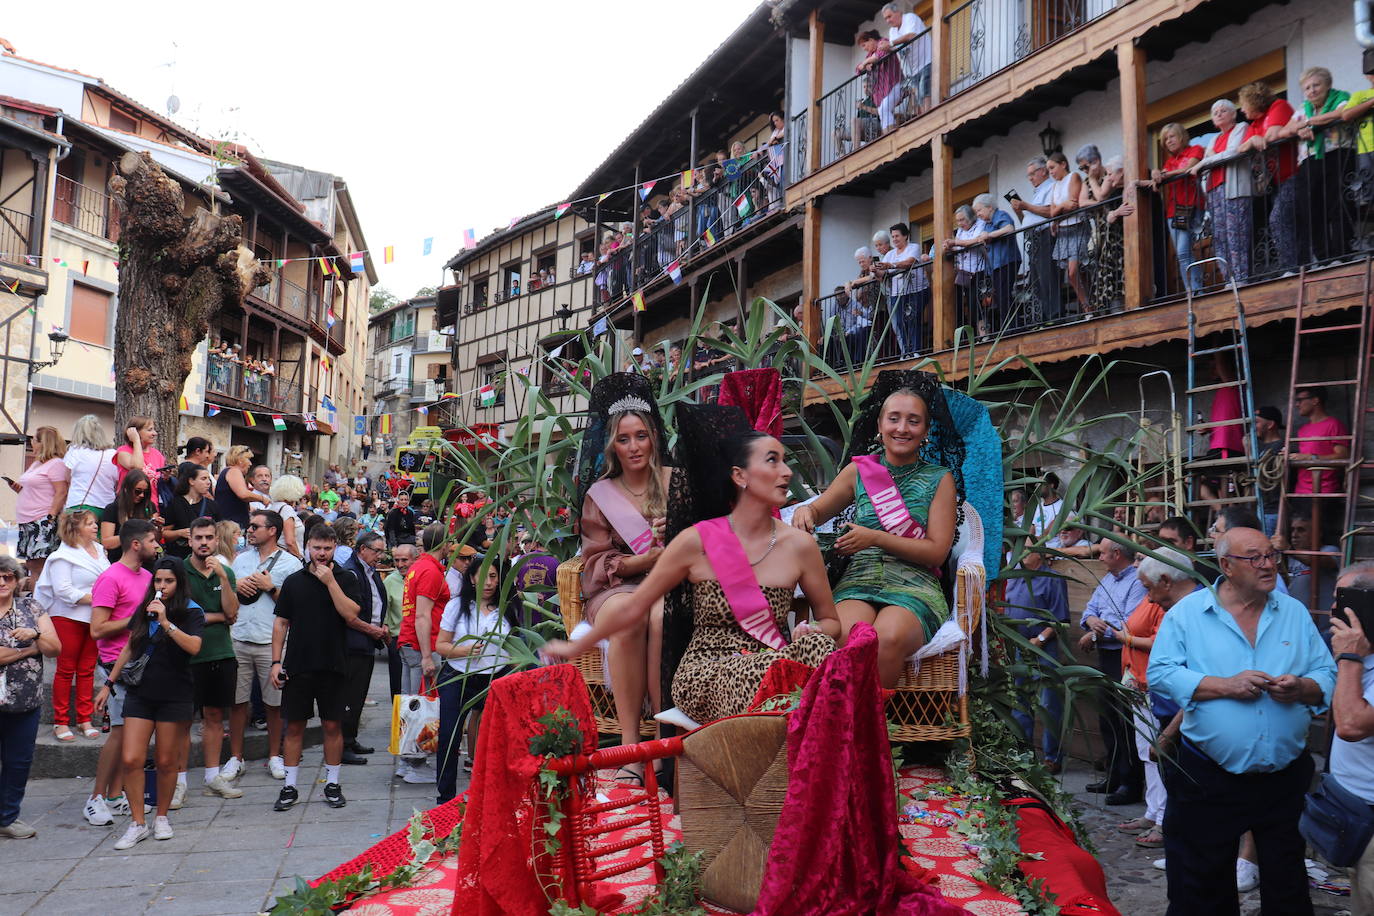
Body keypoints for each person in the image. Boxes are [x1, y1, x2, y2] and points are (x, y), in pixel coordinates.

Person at [548, 427, 840, 723]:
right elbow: (635, 606)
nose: (787, 472)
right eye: (772, 461)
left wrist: (813, 630)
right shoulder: (697, 541)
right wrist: (575, 645)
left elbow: (831, 622)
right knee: (784, 680)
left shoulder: (801, 546)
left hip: (773, 662)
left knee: (821, 647)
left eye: (785, 461)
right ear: (740, 476)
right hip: (707, 674)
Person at [1149, 526, 1335, 916]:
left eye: (1271, 556)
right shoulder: (1189, 614)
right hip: (1208, 778)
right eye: (1255, 557)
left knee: (1287, 884)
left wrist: (1302, 687)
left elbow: (1327, 674)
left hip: (1283, 780)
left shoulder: (1294, 613)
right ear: (1226, 566)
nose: (1268, 565)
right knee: (1200, 886)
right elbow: (1162, 673)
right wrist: (1224, 685)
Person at [790, 373, 960, 687]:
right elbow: (817, 508)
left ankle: (871, 728)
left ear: (925, 431)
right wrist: (805, 510)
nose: (902, 428)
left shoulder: (940, 479)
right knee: (841, 638)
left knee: (885, 640)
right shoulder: (860, 471)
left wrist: (875, 538)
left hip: (915, 586)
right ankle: (842, 725)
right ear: (880, 426)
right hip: (859, 581)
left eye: (913, 421)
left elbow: (937, 552)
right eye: (893, 419)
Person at [576, 376, 675, 758]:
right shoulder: (600, 494)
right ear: (612, 446)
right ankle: (630, 747)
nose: (634, 447)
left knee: (661, 616)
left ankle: (665, 735)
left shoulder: (678, 481)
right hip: (618, 586)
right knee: (630, 616)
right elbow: (597, 561)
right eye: (623, 439)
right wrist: (646, 559)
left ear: (653, 437)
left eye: (640, 436)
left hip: (675, 582)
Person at [97, 558, 205, 849]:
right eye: (158, 581)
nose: (161, 587)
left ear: (179, 583)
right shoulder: (145, 610)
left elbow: (194, 647)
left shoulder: (191, 612)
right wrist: (108, 684)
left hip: (175, 693)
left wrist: (167, 622)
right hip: (140, 693)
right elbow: (130, 646)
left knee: (167, 761)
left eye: (168, 581)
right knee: (132, 758)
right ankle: (137, 822)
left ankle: (161, 817)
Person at [270, 524, 363, 812]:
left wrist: (331, 582)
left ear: (335, 547)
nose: (321, 554)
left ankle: (332, 783)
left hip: (334, 664)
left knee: (332, 726)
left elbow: (350, 615)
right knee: (294, 727)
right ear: (308, 546)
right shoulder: (294, 581)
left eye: (327, 548)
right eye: (317, 548)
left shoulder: (346, 578)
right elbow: (281, 622)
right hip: (298, 664)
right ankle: (289, 786)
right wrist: (275, 662)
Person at [1112, 547, 1194, 850]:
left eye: (1148, 588)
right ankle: (1156, 813)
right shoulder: (1161, 600)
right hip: (1143, 685)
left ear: (1165, 580)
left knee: (1162, 754)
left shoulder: (1183, 608)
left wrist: (1126, 639)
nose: (1148, 597)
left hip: (1162, 695)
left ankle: (1164, 821)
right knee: (1148, 751)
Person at [84, 519, 156, 828]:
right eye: (152, 540)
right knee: (118, 733)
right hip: (118, 666)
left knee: (131, 735)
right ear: (136, 544)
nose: (157, 545)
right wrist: (134, 620)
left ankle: (115, 795)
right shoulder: (111, 578)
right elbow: (97, 629)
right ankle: (95, 798)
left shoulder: (150, 577)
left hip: (145, 665)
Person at [225, 510, 301, 783]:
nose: (250, 530)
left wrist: (270, 587)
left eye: (256, 526)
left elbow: (296, 607)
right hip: (241, 636)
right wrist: (236, 586)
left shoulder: (291, 565)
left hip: (272, 643)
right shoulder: (241, 559)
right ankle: (235, 758)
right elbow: (229, 595)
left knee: (274, 705)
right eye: (250, 526)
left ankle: (274, 756)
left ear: (272, 531)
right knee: (237, 702)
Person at [435, 556, 518, 803]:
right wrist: (465, 650)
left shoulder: (508, 607)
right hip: (457, 676)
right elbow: (441, 645)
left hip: (495, 678)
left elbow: (514, 649)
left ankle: (492, 795)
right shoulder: (456, 606)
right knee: (449, 735)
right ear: (472, 578)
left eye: (493, 576)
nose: (489, 582)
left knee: (496, 738)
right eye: (483, 577)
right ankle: (445, 798)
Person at [1076, 538, 1148, 805]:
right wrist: (1093, 623)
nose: (1100, 557)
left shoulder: (1137, 582)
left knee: (1125, 720)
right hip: (1106, 656)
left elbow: (1126, 622)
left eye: (1103, 553)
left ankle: (1131, 783)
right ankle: (1114, 775)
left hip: (1124, 656)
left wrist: (1094, 630)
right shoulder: (1108, 579)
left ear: (1117, 554)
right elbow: (1089, 612)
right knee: (1107, 717)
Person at [34, 509, 108, 742]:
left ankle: (85, 719)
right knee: (66, 670)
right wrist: (100, 599)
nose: (96, 527)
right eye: (90, 523)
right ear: (75, 529)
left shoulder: (100, 551)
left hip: (95, 618)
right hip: (67, 617)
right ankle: (61, 721)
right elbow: (63, 590)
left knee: (87, 669)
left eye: (95, 523)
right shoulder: (61, 557)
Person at [0, 553, 59, 840]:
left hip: (25, 700)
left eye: (7, 576)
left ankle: (7, 817)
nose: (2, 581)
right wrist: (30, 649)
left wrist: (35, 635)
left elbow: (54, 647)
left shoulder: (31, 606)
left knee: (19, 761)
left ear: (16, 579)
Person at [1329, 562, 1374, 914]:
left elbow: (1350, 724)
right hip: (1355, 815)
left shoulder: (1355, 659)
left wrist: (1348, 657)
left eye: (1342, 601)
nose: (1333, 611)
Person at [1004, 537, 1069, 773]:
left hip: (1043, 648)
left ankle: (1052, 757)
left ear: (1038, 555)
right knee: (1019, 702)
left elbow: (1060, 619)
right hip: (1019, 648)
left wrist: (1040, 639)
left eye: (1025, 551)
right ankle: (1023, 753)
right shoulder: (1015, 577)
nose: (1020, 555)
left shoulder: (1052, 579)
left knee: (1049, 703)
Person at [395, 522, 451, 784]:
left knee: (411, 703)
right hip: (420, 645)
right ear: (445, 544)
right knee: (422, 704)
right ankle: (415, 763)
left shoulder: (420, 567)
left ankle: (407, 761)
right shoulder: (429, 570)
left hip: (412, 643)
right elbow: (422, 615)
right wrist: (428, 655)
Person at [1284, 66, 1353, 265]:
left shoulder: (1341, 97)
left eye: (1316, 85)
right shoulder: (1303, 109)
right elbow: (1282, 132)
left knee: (1338, 205)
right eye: (1307, 88)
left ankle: (1342, 255)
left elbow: (1343, 113)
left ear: (1328, 85)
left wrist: (1311, 123)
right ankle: (1323, 258)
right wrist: (1299, 128)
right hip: (1309, 162)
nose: (1312, 90)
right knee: (1312, 210)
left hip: (1338, 156)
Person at [1236, 81, 1298, 274]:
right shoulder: (1254, 124)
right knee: (1279, 219)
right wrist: (1253, 140)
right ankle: (1288, 265)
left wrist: (1256, 140)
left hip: (1293, 173)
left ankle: (1292, 267)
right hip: (1275, 180)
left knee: (1278, 218)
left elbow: (1272, 136)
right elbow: (1241, 148)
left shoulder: (1279, 106)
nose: (1242, 109)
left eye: (1243, 104)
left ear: (1254, 101)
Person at [340, 531, 389, 765]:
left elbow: (376, 602)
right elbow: (350, 615)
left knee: (358, 695)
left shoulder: (368, 570)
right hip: (354, 643)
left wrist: (381, 625)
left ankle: (350, 739)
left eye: (382, 551)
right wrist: (373, 630)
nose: (380, 556)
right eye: (377, 551)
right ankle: (342, 744)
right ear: (362, 549)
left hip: (367, 642)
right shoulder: (351, 572)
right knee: (349, 695)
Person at [1193, 99, 1254, 283]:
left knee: (1237, 233)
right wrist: (1211, 158)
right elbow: (1217, 155)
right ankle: (1229, 279)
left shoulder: (1241, 127)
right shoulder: (1213, 139)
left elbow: (1233, 152)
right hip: (1213, 190)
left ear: (1233, 114)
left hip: (1234, 188)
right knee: (1220, 236)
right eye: (1215, 112)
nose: (1219, 114)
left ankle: (1242, 277)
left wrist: (1206, 161)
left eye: (1223, 110)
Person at [1148, 123, 1205, 294]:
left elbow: (1188, 169)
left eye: (1171, 136)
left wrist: (1163, 174)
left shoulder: (1195, 149)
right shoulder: (1170, 161)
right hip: (1173, 211)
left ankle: (1195, 290)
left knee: (1182, 252)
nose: (1168, 141)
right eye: (1165, 139)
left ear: (1181, 136)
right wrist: (1155, 173)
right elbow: (1159, 177)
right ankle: (1192, 290)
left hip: (1190, 207)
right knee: (1183, 253)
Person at [13, 426, 70, 581]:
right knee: (31, 564)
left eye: (34, 440)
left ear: (43, 443)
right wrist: (19, 489)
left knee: (40, 565)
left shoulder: (56, 463)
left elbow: (61, 492)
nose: (32, 443)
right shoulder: (37, 463)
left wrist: (50, 517)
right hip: (27, 520)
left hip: (41, 519)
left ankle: (41, 601)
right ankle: (36, 600)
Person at [1011, 156, 1063, 323]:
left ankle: (1054, 316)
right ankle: (1041, 318)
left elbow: (1050, 212)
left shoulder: (1051, 187)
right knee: (1037, 280)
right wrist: (1020, 211)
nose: (1030, 178)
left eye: (1032, 174)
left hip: (1046, 235)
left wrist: (1026, 206)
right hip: (1034, 238)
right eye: (1028, 175)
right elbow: (1028, 219)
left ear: (1042, 171)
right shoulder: (1038, 192)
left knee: (1048, 276)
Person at [1046, 151, 1090, 314]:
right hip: (1064, 231)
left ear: (1063, 164)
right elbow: (1051, 213)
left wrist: (1060, 209)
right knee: (1075, 273)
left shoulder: (1073, 177)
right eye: (1048, 169)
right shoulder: (1055, 186)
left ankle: (1087, 306)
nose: (1050, 172)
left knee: (1074, 271)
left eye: (1052, 167)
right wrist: (1061, 207)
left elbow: (1073, 204)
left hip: (1077, 227)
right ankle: (1088, 305)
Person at [970, 193, 1021, 332]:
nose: (978, 214)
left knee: (1004, 295)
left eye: (979, 210)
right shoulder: (988, 224)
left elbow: (1009, 228)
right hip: (997, 264)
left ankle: (1012, 328)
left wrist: (989, 235)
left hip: (1007, 260)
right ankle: (1008, 327)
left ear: (989, 207)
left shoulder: (1000, 215)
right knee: (1000, 296)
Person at [1290, 385, 1350, 500]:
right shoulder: (1302, 430)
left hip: (1324, 490)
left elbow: (1343, 456)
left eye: (1300, 400)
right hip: (1300, 491)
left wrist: (1311, 457)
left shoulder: (1334, 424)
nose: (1297, 404)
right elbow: (1303, 457)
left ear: (1315, 400)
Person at [943, 205, 990, 335]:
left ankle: (984, 336)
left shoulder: (980, 224)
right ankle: (972, 337)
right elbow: (958, 247)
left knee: (979, 305)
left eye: (962, 220)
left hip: (979, 270)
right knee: (969, 305)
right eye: (957, 221)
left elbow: (975, 241)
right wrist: (950, 247)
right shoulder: (960, 231)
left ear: (971, 217)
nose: (960, 223)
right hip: (964, 272)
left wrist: (956, 243)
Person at [63, 415, 119, 520]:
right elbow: (117, 480)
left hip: (79, 504)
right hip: (106, 507)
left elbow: (67, 478)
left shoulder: (75, 451)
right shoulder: (113, 454)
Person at [881, 1, 930, 117]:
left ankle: (929, 116)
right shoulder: (892, 31)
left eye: (889, 16)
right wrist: (887, 49)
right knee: (919, 96)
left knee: (925, 91)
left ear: (898, 12)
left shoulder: (910, 18)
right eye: (885, 19)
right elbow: (895, 49)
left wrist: (890, 43)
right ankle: (925, 117)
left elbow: (911, 35)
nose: (888, 21)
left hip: (926, 61)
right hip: (912, 70)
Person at [160, 465, 219, 560]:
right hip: (180, 557)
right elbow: (164, 533)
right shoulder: (176, 503)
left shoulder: (212, 505)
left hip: (206, 559)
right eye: (203, 479)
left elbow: (219, 532)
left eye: (209, 479)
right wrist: (179, 533)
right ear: (191, 481)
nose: (208, 482)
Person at [383, 543, 417, 700]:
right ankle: (398, 721)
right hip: (398, 641)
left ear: (415, 559)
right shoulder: (390, 581)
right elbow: (384, 610)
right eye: (396, 560)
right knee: (398, 686)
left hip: (419, 639)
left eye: (404, 560)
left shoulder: (421, 577)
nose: (400, 564)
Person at [855, 30, 903, 135]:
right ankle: (888, 135)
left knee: (884, 109)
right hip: (882, 91)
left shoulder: (883, 42)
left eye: (864, 45)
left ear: (871, 40)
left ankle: (892, 136)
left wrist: (867, 62)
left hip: (894, 84)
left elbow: (878, 56)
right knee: (883, 112)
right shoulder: (869, 55)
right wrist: (865, 63)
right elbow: (858, 70)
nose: (864, 49)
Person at [113, 417, 167, 510]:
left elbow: (158, 484)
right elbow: (137, 467)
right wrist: (136, 440)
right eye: (150, 430)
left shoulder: (158, 455)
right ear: (135, 432)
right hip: (129, 507)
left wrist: (166, 477)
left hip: (151, 507)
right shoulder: (123, 451)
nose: (155, 433)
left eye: (154, 430)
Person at [214, 446, 267, 530]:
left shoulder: (227, 471)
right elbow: (243, 494)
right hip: (232, 527)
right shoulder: (234, 471)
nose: (250, 463)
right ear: (240, 460)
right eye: (248, 459)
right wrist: (262, 499)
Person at [1255, 405, 1285, 536]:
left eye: (1257, 422)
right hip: (1262, 510)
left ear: (1270, 424)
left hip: (1273, 512)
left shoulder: (1281, 448)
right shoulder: (1260, 448)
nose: (1253, 426)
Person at [267, 474, 306, 559]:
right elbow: (290, 541)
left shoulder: (273, 507)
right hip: (287, 557)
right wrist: (299, 559)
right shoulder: (286, 509)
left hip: (274, 555)